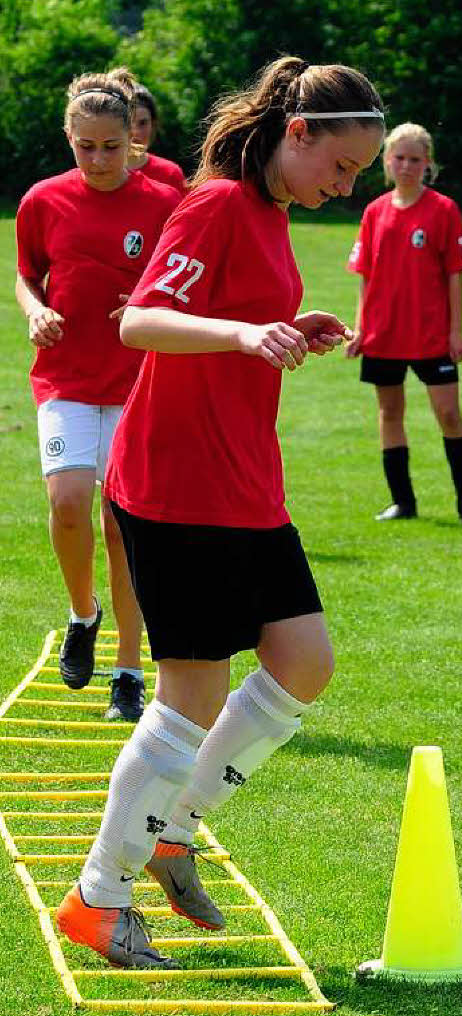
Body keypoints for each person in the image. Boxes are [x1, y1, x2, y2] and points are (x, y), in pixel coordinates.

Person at [56, 56, 385, 971]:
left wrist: (288, 323)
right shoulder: (214, 204)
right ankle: (98, 897)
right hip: (177, 485)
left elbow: (231, 314)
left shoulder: (272, 213)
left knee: (303, 663)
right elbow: (141, 321)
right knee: (189, 698)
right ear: (298, 134)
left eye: (358, 175)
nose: (345, 186)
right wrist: (244, 332)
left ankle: (172, 831)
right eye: (343, 167)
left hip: (243, 481)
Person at [15, 71, 179, 722]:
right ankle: (84, 614)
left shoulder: (163, 199)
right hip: (66, 377)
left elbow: (185, 280)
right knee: (68, 505)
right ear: (69, 137)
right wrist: (34, 311)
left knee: (123, 525)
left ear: (132, 142)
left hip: (140, 379)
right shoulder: (42, 201)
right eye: (86, 146)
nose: (99, 159)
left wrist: (148, 302)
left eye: (112, 146)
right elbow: (27, 274)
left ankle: (129, 673)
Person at [346, 122, 462, 528]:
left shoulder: (443, 209)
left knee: (448, 414)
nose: (407, 165)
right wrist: (361, 328)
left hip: (430, 335)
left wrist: (456, 331)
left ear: (428, 164)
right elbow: (366, 275)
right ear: (387, 161)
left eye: (415, 159)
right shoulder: (375, 211)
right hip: (383, 333)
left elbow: (455, 275)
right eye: (399, 158)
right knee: (389, 413)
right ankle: (403, 502)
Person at [118, 71, 186, 194]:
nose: (135, 132)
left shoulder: (170, 174)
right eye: (128, 124)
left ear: (153, 125)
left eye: (143, 123)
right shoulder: (98, 174)